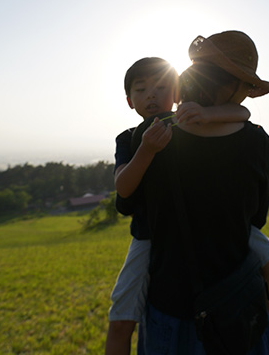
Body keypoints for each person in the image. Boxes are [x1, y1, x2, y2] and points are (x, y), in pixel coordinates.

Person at [134, 31, 269, 355]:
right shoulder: (257, 143)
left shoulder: (153, 133)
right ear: (237, 87)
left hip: (168, 308)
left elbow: (135, 207)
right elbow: (256, 219)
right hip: (234, 310)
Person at [106, 57, 258, 355]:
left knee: (266, 255)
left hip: (201, 232)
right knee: (121, 316)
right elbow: (123, 188)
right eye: (141, 89)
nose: (151, 94)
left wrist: (207, 114)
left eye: (161, 86)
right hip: (149, 237)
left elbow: (243, 111)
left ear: (177, 94)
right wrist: (147, 150)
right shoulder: (128, 139)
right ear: (129, 100)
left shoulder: (189, 123)